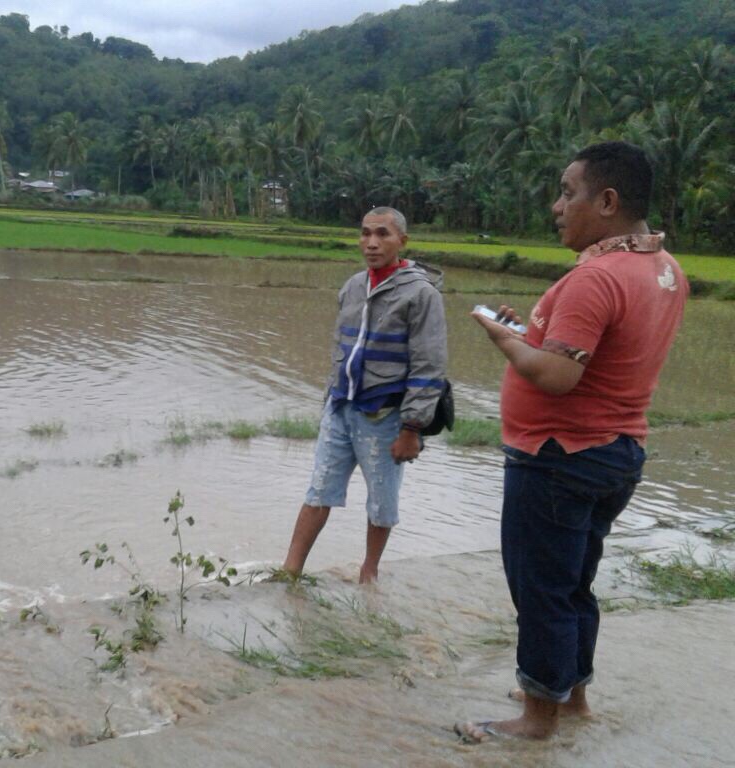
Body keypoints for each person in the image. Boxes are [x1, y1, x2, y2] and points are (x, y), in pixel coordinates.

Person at [457, 141, 687, 742]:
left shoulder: (597, 276)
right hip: (616, 452)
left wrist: (499, 337)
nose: (558, 206)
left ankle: (536, 721)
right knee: (574, 582)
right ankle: (571, 696)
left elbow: (558, 376)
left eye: (568, 192)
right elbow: (595, 349)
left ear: (607, 201)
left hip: (559, 456)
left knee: (541, 590)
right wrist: (528, 328)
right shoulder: (663, 269)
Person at [281, 207, 448, 584]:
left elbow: (429, 366)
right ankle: (289, 571)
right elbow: (340, 349)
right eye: (366, 233)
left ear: (401, 241)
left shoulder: (421, 294)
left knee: (381, 502)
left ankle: (368, 574)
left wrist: (411, 428)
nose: (372, 243)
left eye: (383, 234)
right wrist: (329, 401)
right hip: (342, 408)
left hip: (386, 416)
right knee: (318, 489)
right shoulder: (354, 286)